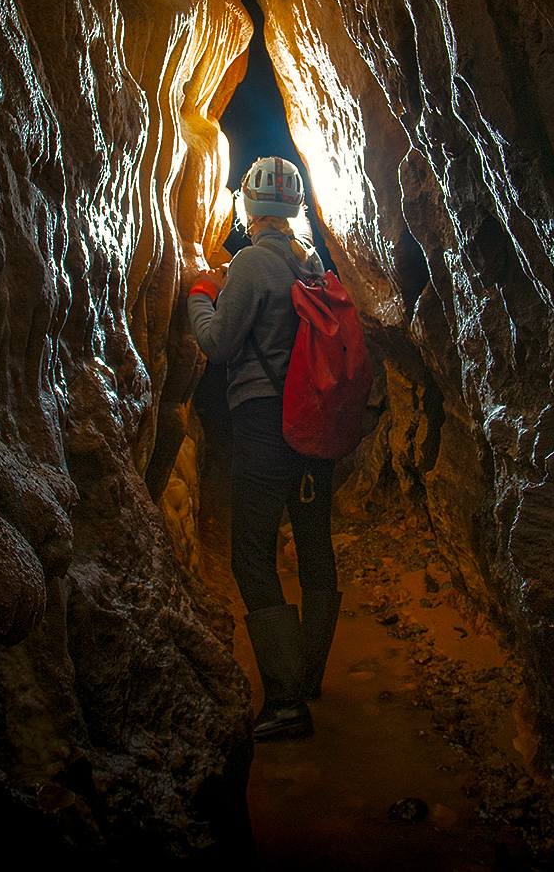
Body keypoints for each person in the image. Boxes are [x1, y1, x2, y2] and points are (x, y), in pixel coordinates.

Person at [187, 155, 338, 741]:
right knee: (313, 543)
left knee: (251, 552)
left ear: (247, 207)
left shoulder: (249, 263)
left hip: (264, 424)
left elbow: (218, 344)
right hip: (315, 427)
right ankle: (308, 675)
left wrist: (202, 293)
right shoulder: (311, 265)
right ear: (296, 208)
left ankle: (284, 698)